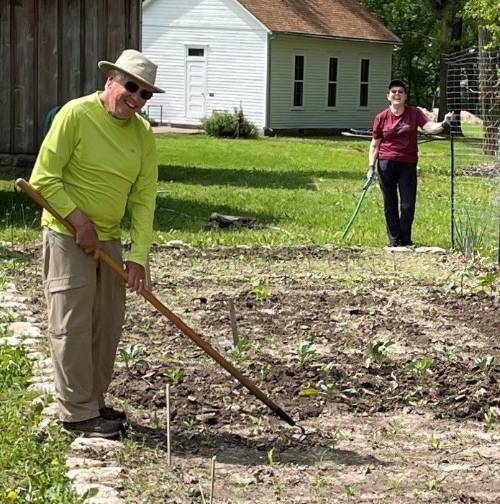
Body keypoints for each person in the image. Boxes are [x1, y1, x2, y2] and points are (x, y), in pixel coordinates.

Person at [29, 49, 163, 438]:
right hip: (67, 233)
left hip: (109, 238)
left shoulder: (143, 135)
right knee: (72, 321)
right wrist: (77, 220)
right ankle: (76, 413)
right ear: (110, 81)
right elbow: (44, 177)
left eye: (145, 95)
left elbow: (143, 198)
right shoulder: (76, 114)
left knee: (107, 322)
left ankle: (93, 400)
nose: (136, 99)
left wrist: (137, 259)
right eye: (131, 87)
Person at [367, 79, 453, 247]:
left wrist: (444, 123)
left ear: (405, 96)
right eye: (394, 92)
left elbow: (429, 128)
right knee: (389, 204)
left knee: (407, 204)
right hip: (386, 164)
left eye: (400, 91)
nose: (397, 94)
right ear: (388, 96)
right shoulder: (381, 117)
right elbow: (374, 144)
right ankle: (394, 241)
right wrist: (371, 167)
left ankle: (405, 239)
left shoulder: (414, 113)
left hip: (407, 164)